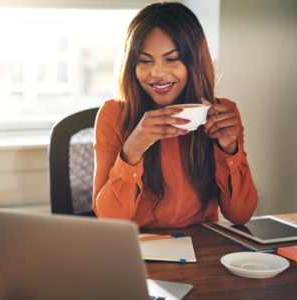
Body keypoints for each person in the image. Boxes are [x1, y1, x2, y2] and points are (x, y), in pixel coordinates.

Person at [92, 1, 257, 228]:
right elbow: (109, 221)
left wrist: (229, 149)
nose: (158, 73)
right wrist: (132, 150)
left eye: (171, 59)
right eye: (145, 61)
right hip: (138, 252)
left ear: (194, 62)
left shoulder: (223, 113)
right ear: (132, 65)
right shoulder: (113, 115)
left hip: (200, 250)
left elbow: (240, 215)